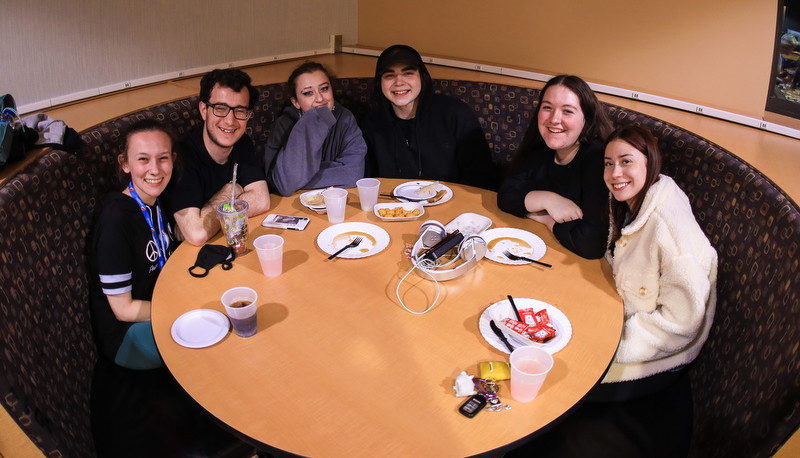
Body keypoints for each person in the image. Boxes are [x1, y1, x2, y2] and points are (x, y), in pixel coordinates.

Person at [508, 125, 718, 458]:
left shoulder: (671, 228)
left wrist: (604, 348)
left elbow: (681, 325)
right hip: (619, 318)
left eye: (626, 162)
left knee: (552, 378)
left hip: (654, 355)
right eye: (608, 163)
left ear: (649, 163)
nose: (615, 173)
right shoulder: (626, 203)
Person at [89, 120, 247, 456]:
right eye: (143, 159)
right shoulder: (116, 218)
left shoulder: (154, 203)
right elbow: (123, 309)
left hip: (158, 308)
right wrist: (181, 311)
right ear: (125, 164)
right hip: (127, 337)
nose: (155, 169)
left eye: (163, 158)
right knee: (228, 331)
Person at [496, 75, 613, 259]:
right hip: (549, 250)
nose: (554, 119)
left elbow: (591, 244)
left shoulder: (597, 161)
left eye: (567, 111)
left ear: (586, 120)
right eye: (547, 108)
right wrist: (547, 200)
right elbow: (505, 195)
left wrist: (546, 219)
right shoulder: (542, 149)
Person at [360, 44, 498, 190]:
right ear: (379, 83)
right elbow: (368, 181)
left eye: (408, 73)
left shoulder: (455, 115)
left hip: (452, 205)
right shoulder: (372, 125)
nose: (399, 82)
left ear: (422, 77)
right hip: (394, 208)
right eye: (389, 75)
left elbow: (481, 177)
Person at [163, 68, 270, 246]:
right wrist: (232, 190)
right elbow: (197, 233)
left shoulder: (242, 143)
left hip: (224, 244)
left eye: (240, 111)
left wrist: (211, 213)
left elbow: (262, 200)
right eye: (221, 108)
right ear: (204, 110)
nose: (230, 121)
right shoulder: (182, 156)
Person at [264, 61, 366, 196]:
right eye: (308, 93)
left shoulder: (345, 118)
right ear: (295, 102)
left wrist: (301, 177)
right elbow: (283, 184)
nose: (319, 98)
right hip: (293, 204)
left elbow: (354, 174)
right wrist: (336, 170)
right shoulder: (284, 125)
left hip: (337, 199)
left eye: (324, 89)